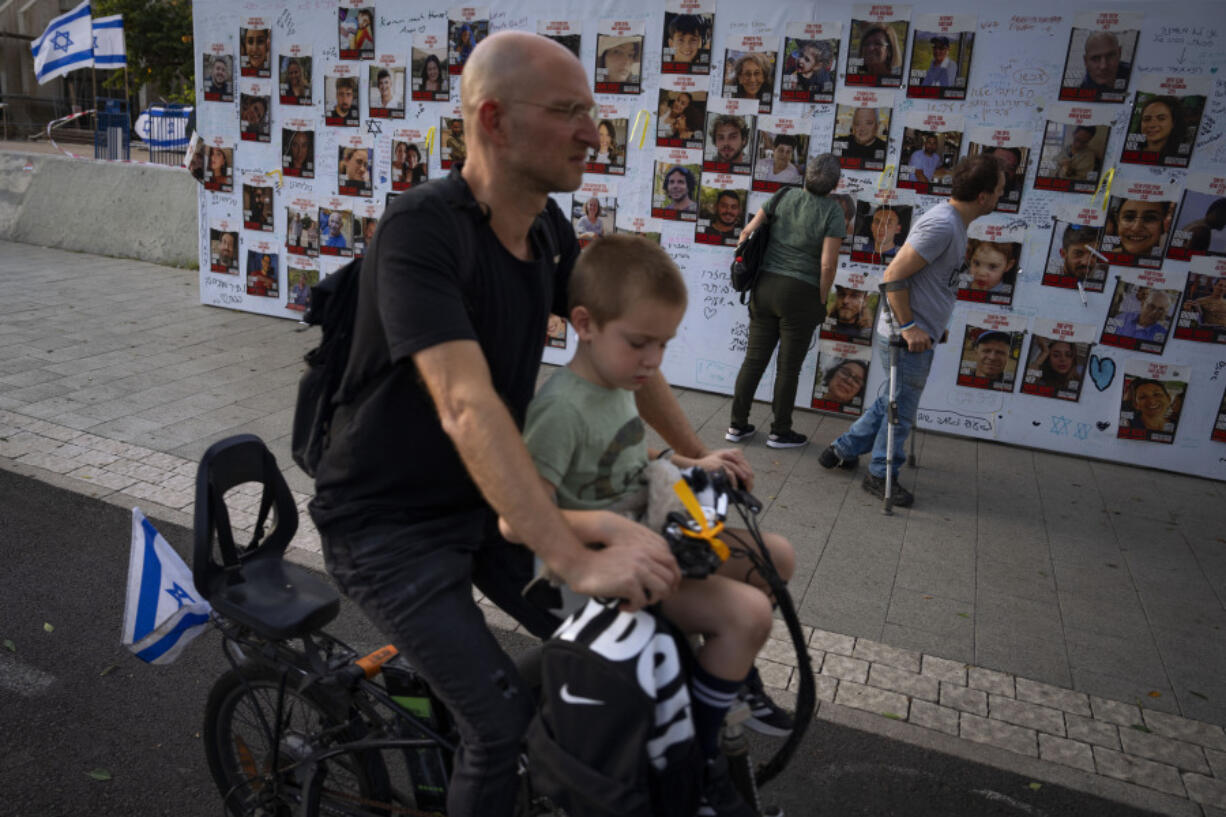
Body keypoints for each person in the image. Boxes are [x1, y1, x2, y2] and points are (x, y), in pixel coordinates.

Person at [308, 32, 751, 817]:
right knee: (497, 723)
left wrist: (695, 455)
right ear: (494, 121)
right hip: (387, 528)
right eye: (567, 111)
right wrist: (571, 558)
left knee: (635, 641)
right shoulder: (423, 231)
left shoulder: (548, 234)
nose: (592, 131)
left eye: (592, 111)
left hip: (487, 510)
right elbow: (464, 401)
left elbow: (624, 346)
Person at [509, 235, 796, 813]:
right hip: (592, 577)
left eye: (663, 345)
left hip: (648, 541)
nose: (653, 362)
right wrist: (610, 529)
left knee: (779, 555)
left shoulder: (619, 387)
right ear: (584, 324)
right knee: (749, 615)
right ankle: (701, 749)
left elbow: (629, 460)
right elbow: (521, 521)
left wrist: (694, 462)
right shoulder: (561, 410)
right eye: (639, 343)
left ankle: (719, 682)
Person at [819, 154, 1005, 506]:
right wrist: (910, 327)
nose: (1000, 197)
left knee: (892, 398)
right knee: (900, 409)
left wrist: (932, 325)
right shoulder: (943, 225)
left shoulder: (953, 222)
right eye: (998, 191)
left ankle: (841, 451)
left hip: (917, 332)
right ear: (982, 196)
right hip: (905, 336)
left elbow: (930, 283)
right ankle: (880, 474)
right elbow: (893, 276)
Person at [727, 155, 846, 448]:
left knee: (753, 360)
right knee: (787, 368)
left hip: (764, 287)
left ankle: (737, 426)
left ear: (805, 176)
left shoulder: (782, 196)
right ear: (835, 184)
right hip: (802, 293)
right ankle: (780, 431)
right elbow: (828, 265)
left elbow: (746, 233)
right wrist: (820, 298)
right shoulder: (833, 212)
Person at [1135, 96, 1184, 161]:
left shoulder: (1181, 156)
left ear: (1174, 123)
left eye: (1161, 118)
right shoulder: (1131, 152)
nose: (1152, 125)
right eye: (1147, 119)